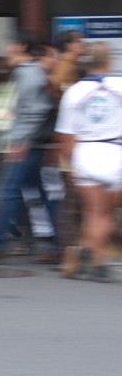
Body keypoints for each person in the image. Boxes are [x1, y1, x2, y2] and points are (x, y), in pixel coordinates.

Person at [0, 33, 59, 260]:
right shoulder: (29, 72)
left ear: (20, 46)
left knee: (8, 191)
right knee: (37, 193)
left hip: (25, 144)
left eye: (9, 45)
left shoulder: (28, 72)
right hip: (31, 143)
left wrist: (20, 141)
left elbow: (33, 111)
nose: (5, 50)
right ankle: (56, 245)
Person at [54, 41, 120, 282]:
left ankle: (93, 256)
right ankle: (97, 257)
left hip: (86, 152)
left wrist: (69, 164)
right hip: (114, 151)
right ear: (109, 61)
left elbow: (66, 135)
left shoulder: (74, 91)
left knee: (93, 212)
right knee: (106, 213)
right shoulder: (120, 86)